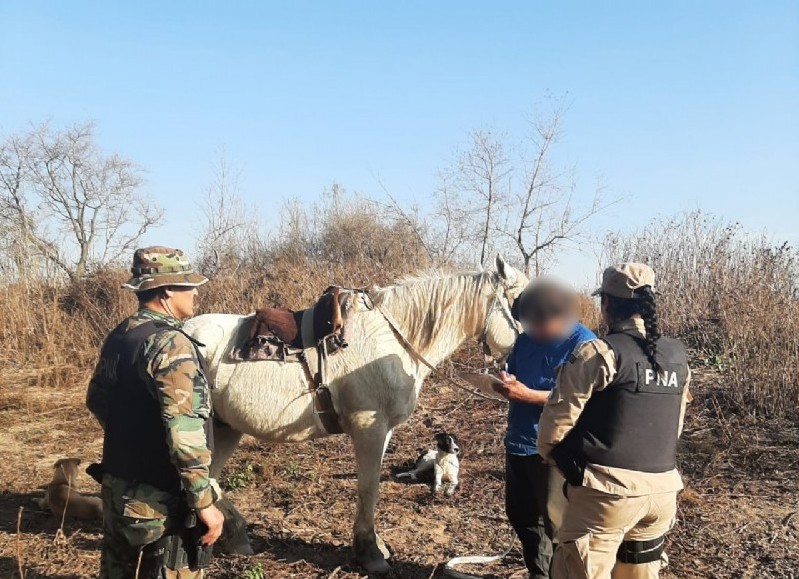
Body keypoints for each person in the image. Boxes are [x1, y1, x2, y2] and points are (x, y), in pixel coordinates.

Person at [537, 263, 691, 579]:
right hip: (662, 495)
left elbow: (553, 428)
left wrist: (563, 463)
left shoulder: (600, 352)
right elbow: (674, 426)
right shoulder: (677, 357)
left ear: (607, 305)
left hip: (607, 496)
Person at [86, 246, 224, 579]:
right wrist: (204, 502)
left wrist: (136, 437)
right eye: (187, 286)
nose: (194, 293)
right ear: (165, 292)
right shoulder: (170, 345)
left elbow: (96, 399)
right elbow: (184, 435)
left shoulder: (121, 335)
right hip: (159, 506)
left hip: (117, 491)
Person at [493, 278, 596, 579]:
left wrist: (528, 395)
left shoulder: (585, 346)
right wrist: (505, 383)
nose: (530, 331)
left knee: (558, 525)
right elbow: (517, 374)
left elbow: (586, 401)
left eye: (535, 324)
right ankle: (541, 573)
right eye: (526, 324)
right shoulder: (525, 341)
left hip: (556, 450)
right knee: (522, 516)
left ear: (559, 317)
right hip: (519, 442)